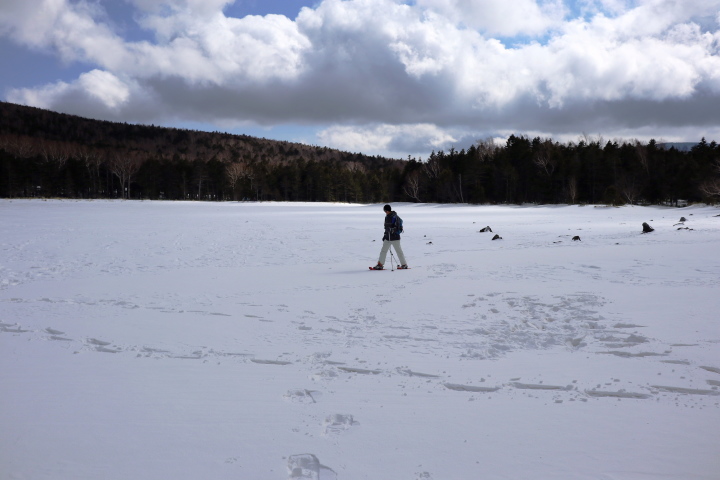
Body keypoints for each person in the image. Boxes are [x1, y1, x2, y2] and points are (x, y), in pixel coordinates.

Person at [372, 204, 408, 270]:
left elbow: (397, 227)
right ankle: (380, 264)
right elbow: (386, 228)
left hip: (395, 237)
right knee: (383, 251)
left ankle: (404, 264)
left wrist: (391, 230)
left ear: (388, 210)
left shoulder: (395, 217)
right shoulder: (387, 216)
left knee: (398, 251)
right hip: (387, 237)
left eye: (385, 211)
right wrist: (385, 235)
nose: (385, 212)